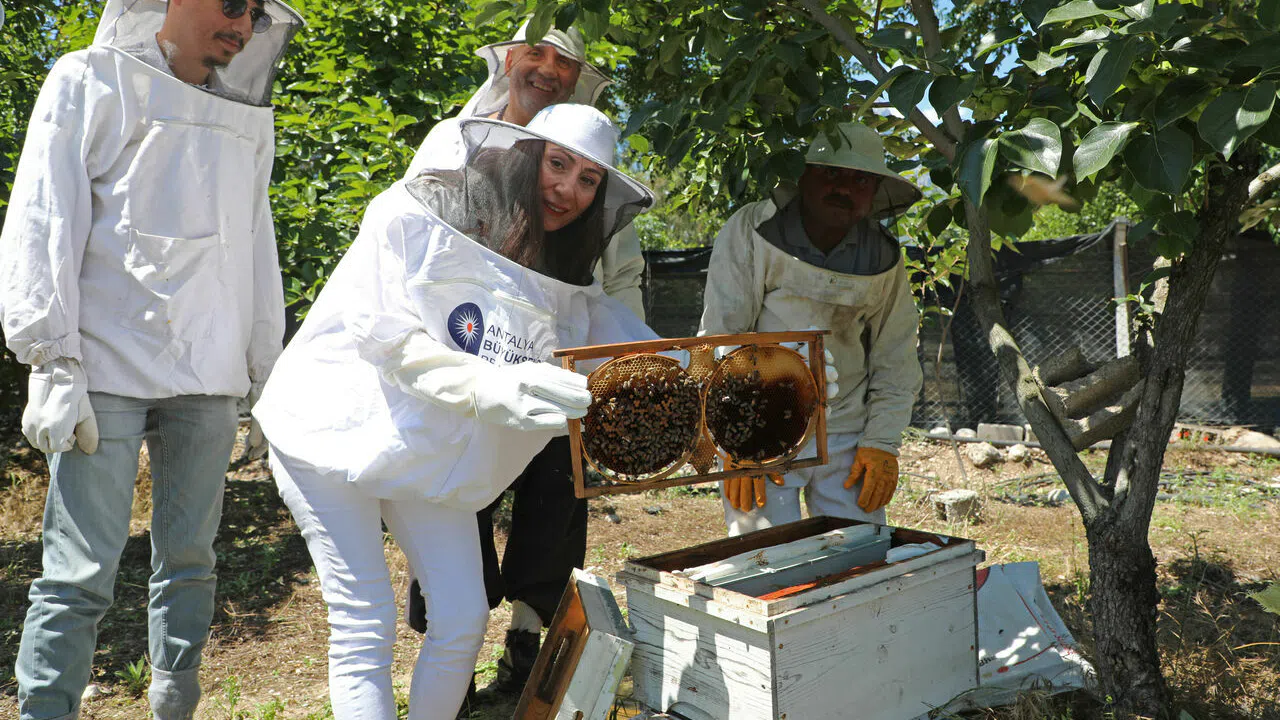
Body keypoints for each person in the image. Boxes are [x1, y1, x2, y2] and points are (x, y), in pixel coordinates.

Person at [251, 103, 657, 720]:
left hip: (419, 451)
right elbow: (384, 335)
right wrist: (485, 388)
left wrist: (715, 370)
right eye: (557, 164)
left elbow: (625, 346)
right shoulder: (417, 212)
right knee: (365, 620)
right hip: (328, 430)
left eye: (588, 179)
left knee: (464, 616)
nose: (567, 190)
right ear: (525, 158)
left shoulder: (567, 280)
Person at [0, 1, 302, 718]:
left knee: (192, 564)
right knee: (77, 577)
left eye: (257, 13)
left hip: (211, 372)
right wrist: (50, 359)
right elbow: (46, 214)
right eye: (232, 4)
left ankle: (175, 706)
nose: (244, 24)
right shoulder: (90, 78)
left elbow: (254, 243)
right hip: (101, 368)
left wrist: (264, 369)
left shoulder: (244, 117)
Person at [403, 19, 647, 696]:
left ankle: (525, 647)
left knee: (554, 503)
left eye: (565, 63)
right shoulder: (454, 143)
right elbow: (415, 260)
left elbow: (616, 283)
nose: (548, 70)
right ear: (508, 60)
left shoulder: (593, 174)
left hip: (556, 366)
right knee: (455, 507)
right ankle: (449, 659)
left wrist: (624, 363)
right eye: (537, 54)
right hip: (465, 364)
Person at [700, 121, 925, 536]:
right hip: (761, 424)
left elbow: (895, 356)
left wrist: (881, 442)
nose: (844, 188)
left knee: (856, 552)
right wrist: (735, 438)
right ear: (803, 176)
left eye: (860, 179)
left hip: (849, 432)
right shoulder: (751, 229)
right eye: (831, 172)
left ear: (875, 190)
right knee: (766, 555)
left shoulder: (884, 257)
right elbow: (722, 337)